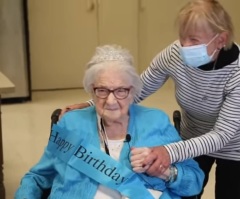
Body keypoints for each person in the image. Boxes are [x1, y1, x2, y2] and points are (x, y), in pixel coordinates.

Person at [60, 1, 240, 199]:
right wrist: (95, 102)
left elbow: (222, 136)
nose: (184, 47)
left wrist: (168, 151)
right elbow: (137, 88)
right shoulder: (175, 54)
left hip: (234, 146)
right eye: (182, 38)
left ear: (221, 39)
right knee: (187, 189)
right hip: (191, 136)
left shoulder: (237, 73)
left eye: (194, 40)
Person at [15, 45, 204, 199]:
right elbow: (38, 177)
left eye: (121, 90)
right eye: (102, 90)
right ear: (91, 90)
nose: (111, 101)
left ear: (133, 91)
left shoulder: (156, 121)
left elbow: (194, 181)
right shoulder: (71, 124)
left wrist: (164, 172)